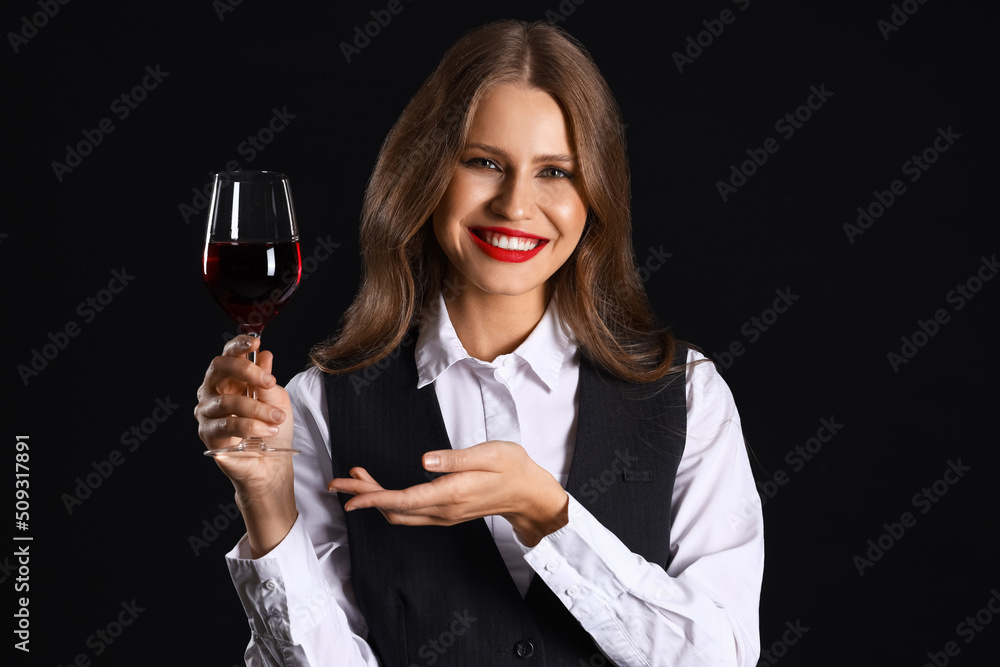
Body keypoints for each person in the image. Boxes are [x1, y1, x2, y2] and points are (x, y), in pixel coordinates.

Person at [195, 19, 763, 666]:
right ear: (428, 172)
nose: (516, 204)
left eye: (555, 171)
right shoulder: (320, 405)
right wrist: (267, 504)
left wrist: (543, 509)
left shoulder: (689, 394)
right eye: (485, 162)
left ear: (595, 197)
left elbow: (723, 656)